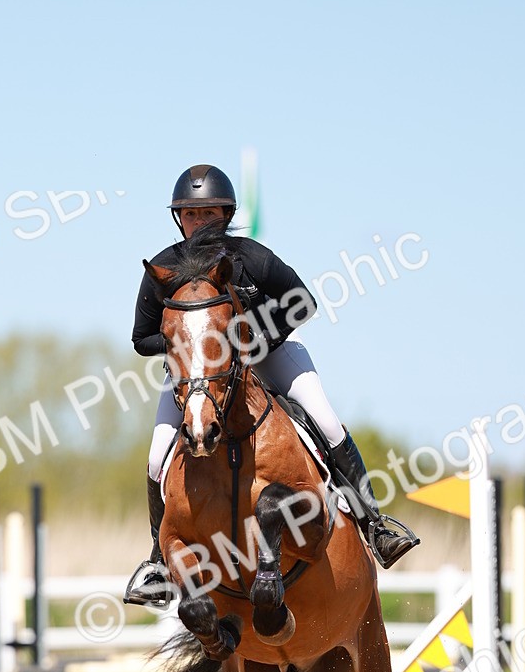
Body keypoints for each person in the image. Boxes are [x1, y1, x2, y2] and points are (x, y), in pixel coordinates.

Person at [124, 164, 419, 606]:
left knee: (327, 423)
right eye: (191, 214)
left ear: (226, 214)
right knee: (155, 458)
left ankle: (373, 524)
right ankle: (158, 563)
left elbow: (303, 301)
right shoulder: (163, 268)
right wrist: (184, 346)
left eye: (209, 214)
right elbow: (141, 337)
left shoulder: (250, 256)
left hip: (270, 354)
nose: (199, 222)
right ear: (178, 218)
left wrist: (256, 338)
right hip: (199, 375)